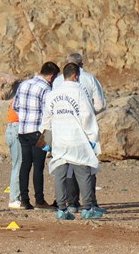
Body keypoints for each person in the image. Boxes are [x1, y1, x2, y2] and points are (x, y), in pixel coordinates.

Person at [41, 62, 103, 220]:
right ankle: (88, 208)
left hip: (59, 138)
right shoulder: (79, 92)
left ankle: (62, 209)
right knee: (83, 173)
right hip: (77, 138)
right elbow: (87, 116)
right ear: (76, 76)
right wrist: (93, 137)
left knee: (60, 174)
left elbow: (47, 118)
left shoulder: (53, 94)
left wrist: (46, 140)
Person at [52, 52, 106, 209]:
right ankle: (90, 204)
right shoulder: (89, 80)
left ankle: (70, 203)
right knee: (86, 166)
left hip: (60, 130)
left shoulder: (57, 83)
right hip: (82, 128)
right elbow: (99, 105)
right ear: (80, 66)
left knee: (65, 168)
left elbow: (50, 109)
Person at [8, 62, 60, 210]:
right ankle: (39, 200)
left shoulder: (24, 84)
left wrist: (25, 117)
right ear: (51, 76)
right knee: (38, 166)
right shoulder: (46, 88)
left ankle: (24, 200)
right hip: (40, 132)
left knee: (25, 165)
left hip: (23, 130)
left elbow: (15, 106)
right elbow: (49, 112)